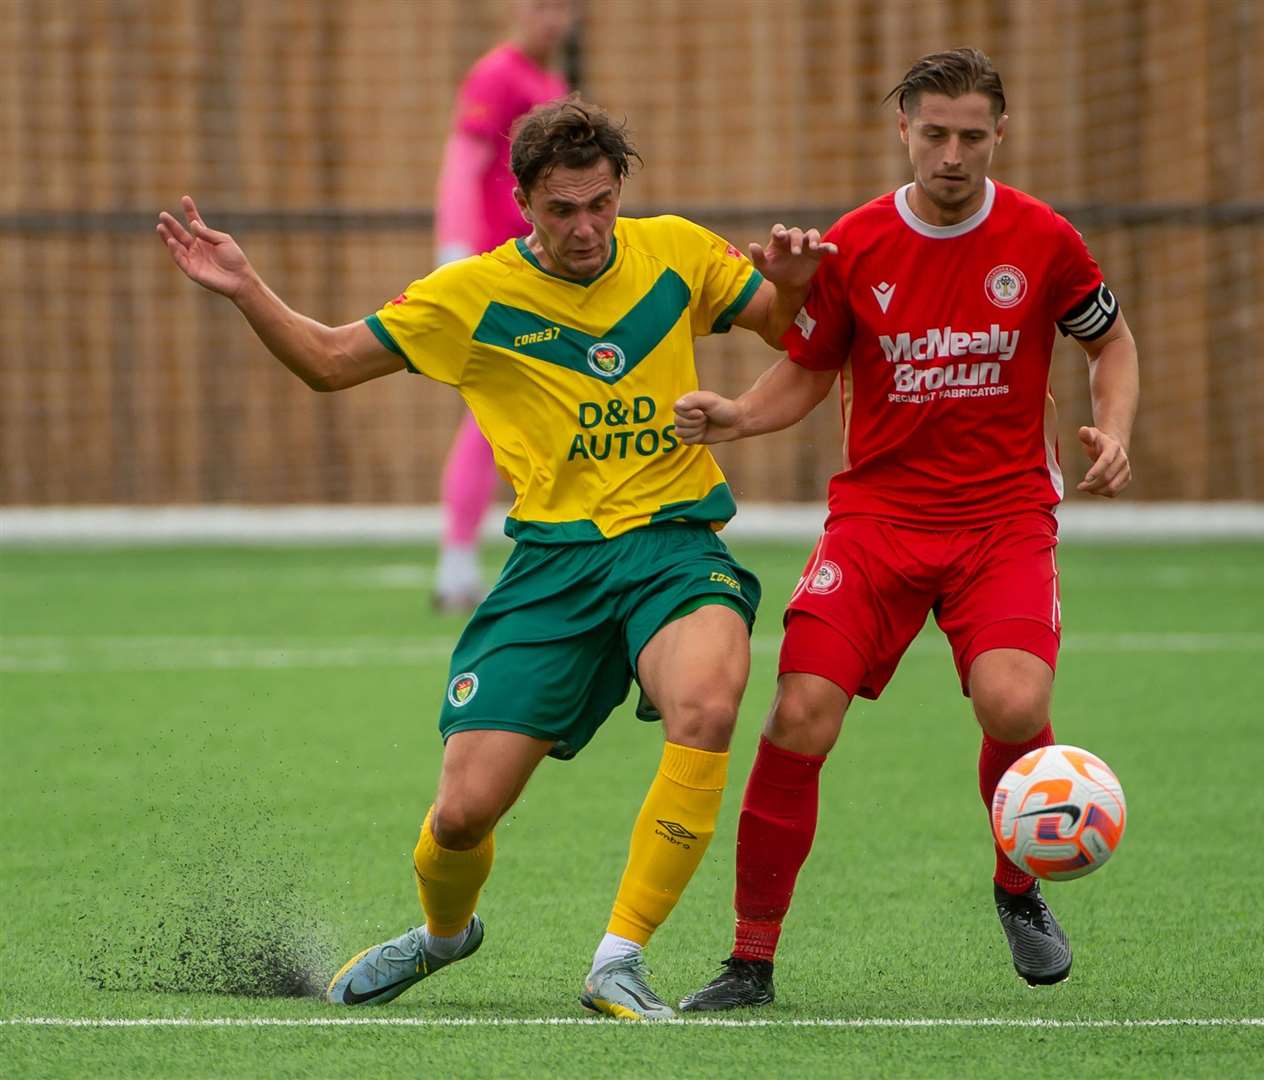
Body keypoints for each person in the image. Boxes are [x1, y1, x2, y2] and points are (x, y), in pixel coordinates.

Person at [155, 97, 835, 1020]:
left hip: (674, 547)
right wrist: (246, 288)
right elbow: (327, 360)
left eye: (600, 203)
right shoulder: (469, 295)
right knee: (462, 815)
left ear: (621, 191)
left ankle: (619, 959)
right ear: (522, 203)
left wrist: (790, 285)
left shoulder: (675, 249)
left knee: (708, 705)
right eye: (562, 209)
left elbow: (783, 329)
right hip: (551, 571)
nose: (587, 226)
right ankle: (443, 936)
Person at [673, 48, 1140, 1010]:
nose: (953, 154)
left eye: (973, 136)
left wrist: (1116, 430)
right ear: (904, 132)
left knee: (1014, 705)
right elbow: (807, 368)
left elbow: (1111, 340)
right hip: (877, 521)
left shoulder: (1044, 239)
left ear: (1000, 135)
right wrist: (741, 418)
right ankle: (749, 960)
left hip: (1004, 519)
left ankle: (1017, 886)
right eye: (935, 135)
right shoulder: (857, 245)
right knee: (799, 713)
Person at [432, 0, 573, 612]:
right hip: (501, 270)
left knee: (538, 408)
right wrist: (455, 246)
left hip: (543, 271)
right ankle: (456, 562)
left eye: (565, 8)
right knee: (491, 412)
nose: (555, 18)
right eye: (543, 5)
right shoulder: (498, 74)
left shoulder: (550, 83)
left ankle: (525, 554)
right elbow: (463, 164)